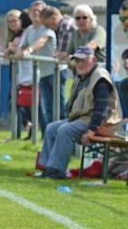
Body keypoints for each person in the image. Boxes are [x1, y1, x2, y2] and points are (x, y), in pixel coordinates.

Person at [36, 46, 122, 179]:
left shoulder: (100, 77)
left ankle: (56, 171)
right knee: (51, 128)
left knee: (65, 130)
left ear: (93, 60)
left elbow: (101, 109)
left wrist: (91, 131)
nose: (80, 64)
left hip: (102, 123)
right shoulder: (81, 74)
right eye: (77, 60)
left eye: (83, 60)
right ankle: (46, 168)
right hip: (83, 118)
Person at [18, 0, 59, 136]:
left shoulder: (47, 28)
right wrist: (18, 50)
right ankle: (47, 135)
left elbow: (40, 42)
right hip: (42, 73)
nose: (36, 13)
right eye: (33, 10)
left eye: (39, 11)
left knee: (57, 106)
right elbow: (22, 46)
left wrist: (28, 50)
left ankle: (57, 134)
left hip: (55, 72)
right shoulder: (29, 30)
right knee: (45, 106)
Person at [4, 9, 33, 139]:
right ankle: (21, 130)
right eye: (9, 22)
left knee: (20, 103)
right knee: (13, 103)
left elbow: (23, 50)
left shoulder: (26, 34)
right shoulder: (12, 36)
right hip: (14, 72)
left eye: (15, 20)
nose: (12, 24)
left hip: (26, 74)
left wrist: (12, 49)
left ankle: (27, 126)